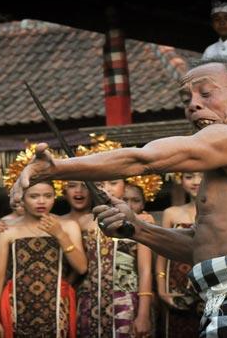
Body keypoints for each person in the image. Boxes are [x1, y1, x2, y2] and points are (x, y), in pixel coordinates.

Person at [12, 56, 227, 337]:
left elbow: (143, 159)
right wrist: (136, 229)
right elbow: (200, 246)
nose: (193, 103)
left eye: (206, 93)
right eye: (187, 97)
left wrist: (54, 168)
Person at [69, 136, 154, 337]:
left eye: (113, 182)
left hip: (126, 301)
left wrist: (143, 313)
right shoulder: (81, 223)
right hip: (88, 302)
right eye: (100, 182)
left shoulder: (139, 222)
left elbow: (145, 269)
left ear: (125, 185)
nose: (106, 188)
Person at [0, 181, 87, 338]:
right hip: (17, 306)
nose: (41, 201)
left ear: (55, 197)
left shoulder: (68, 226)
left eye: (47, 196)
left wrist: (60, 235)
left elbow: (82, 268)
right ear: (21, 198)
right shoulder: (8, 231)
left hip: (57, 306)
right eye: (34, 196)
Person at [156, 172, 203, 338]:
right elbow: (162, 253)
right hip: (176, 289)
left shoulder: (220, 213)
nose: (196, 181)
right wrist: (162, 290)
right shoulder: (171, 213)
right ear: (180, 180)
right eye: (189, 177)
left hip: (207, 286)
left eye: (201, 176)